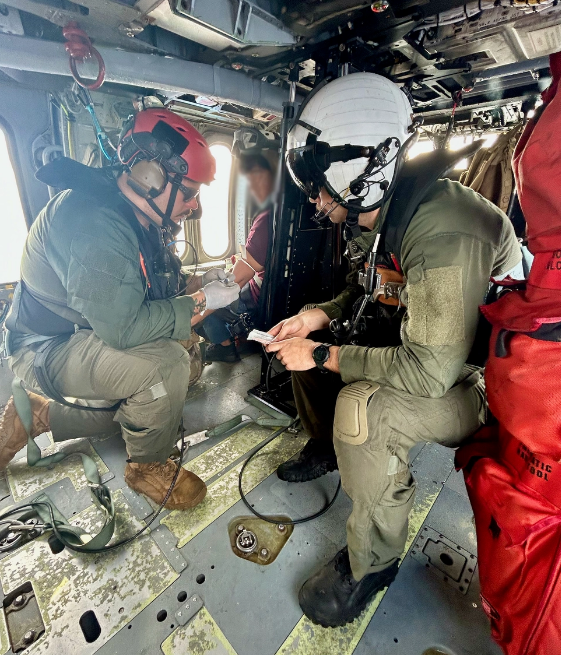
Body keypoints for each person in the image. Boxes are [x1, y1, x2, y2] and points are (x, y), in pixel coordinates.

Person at [265, 73, 522, 627]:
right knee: (313, 346)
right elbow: (372, 289)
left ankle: (373, 563)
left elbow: (430, 373)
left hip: (481, 377)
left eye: (320, 186)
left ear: (360, 173)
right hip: (433, 350)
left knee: (362, 409)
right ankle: (327, 449)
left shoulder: (443, 231)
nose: (314, 198)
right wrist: (317, 320)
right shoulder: (387, 211)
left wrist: (322, 355)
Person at [0, 108, 240, 510]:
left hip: (88, 331)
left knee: (182, 361)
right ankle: (145, 466)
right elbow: (125, 328)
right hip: (46, 347)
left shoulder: (140, 217)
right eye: (189, 192)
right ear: (152, 177)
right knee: (166, 366)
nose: (195, 207)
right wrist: (202, 302)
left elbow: (149, 288)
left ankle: (39, 415)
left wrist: (201, 282)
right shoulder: (93, 223)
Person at [199, 145, 276, 363]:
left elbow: (238, 280)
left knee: (205, 298)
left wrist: (189, 311)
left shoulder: (266, 219)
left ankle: (225, 346)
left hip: (254, 300)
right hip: (272, 297)